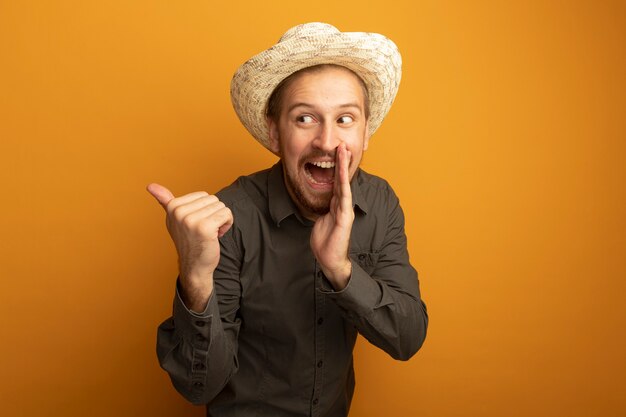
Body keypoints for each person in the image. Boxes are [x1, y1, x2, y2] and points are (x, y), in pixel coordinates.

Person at [147, 22, 428, 417]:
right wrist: (195, 277)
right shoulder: (232, 217)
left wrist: (341, 271)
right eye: (304, 119)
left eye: (345, 119)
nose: (327, 141)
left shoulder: (380, 202)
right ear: (275, 134)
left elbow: (408, 339)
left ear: (366, 134)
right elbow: (199, 387)